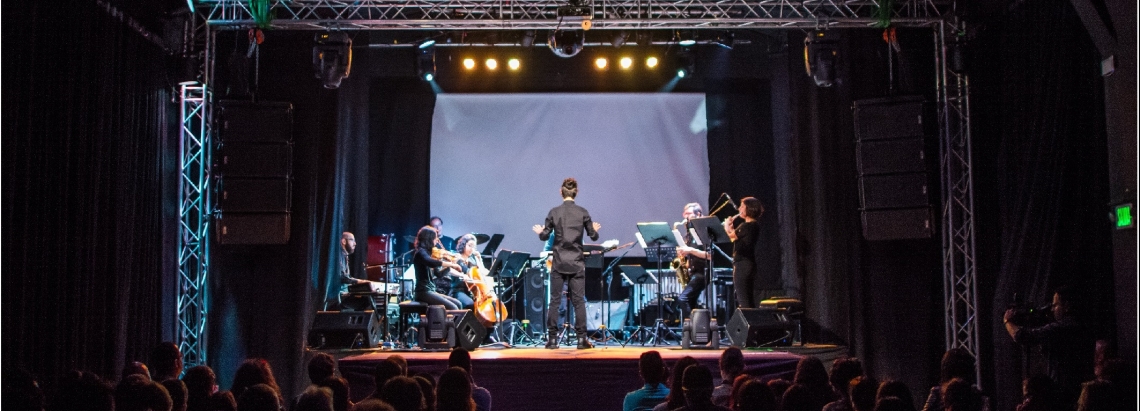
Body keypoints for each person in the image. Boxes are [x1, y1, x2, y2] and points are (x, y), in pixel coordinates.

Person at [532, 177, 600, 349]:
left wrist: (541, 232)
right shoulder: (583, 212)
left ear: (560, 192)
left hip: (559, 262)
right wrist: (596, 230)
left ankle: (552, 340)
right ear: (576, 192)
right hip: (577, 263)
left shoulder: (554, 212)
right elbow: (594, 236)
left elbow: (545, 236)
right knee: (578, 301)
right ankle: (581, 340)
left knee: (554, 301)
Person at [1002, 285, 1094, 404]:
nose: (1052, 309)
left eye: (1055, 305)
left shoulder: (1064, 327)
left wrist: (1007, 321)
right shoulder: (1079, 325)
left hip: (1064, 394)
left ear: (1066, 306)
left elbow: (1023, 337)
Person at [412, 226, 468, 310]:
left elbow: (438, 274)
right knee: (453, 308)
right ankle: (446, 323)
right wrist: (451, 264)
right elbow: (430, 262)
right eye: (435, 238)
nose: (437, 240)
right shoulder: (420, 252)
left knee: (458, 304)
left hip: (431, 290)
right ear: (429, 239)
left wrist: (450, 267)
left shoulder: (428, 253)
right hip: (423, 292)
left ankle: (450, 323)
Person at [723, 197, 763, 308]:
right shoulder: (752, 226)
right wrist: (731, 229)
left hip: (742, 265)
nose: (739, 208)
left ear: (749, 209)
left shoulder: (747, 226)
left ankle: (748, 323)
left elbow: (731, 236)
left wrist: (727, 226)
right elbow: (734, 238)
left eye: (742, 206)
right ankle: (752, 322)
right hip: (747, 264)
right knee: (748, 299)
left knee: (743, 300)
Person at [675, 203, 711, 312]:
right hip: (693, 272)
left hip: (702, 273)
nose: (686, 217)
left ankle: (692, 325)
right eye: (684, 214)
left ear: (698, 214)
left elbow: (709, 255)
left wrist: (690, 250)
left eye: (689, 214)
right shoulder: (689, 232)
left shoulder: (704, 231)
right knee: (691, 302)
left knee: (683, 299)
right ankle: (694, 327)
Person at [328, 232, 373, 311]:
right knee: (367, 301)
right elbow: (342, 277)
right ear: (344, 241)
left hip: (344, 294)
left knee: (367, 299)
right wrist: (359, 281)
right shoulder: (338, 256)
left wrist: (362, 281)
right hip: (337, 297)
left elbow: (347, 277)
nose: (355, 243)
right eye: (352, 240)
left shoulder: (344, 256)